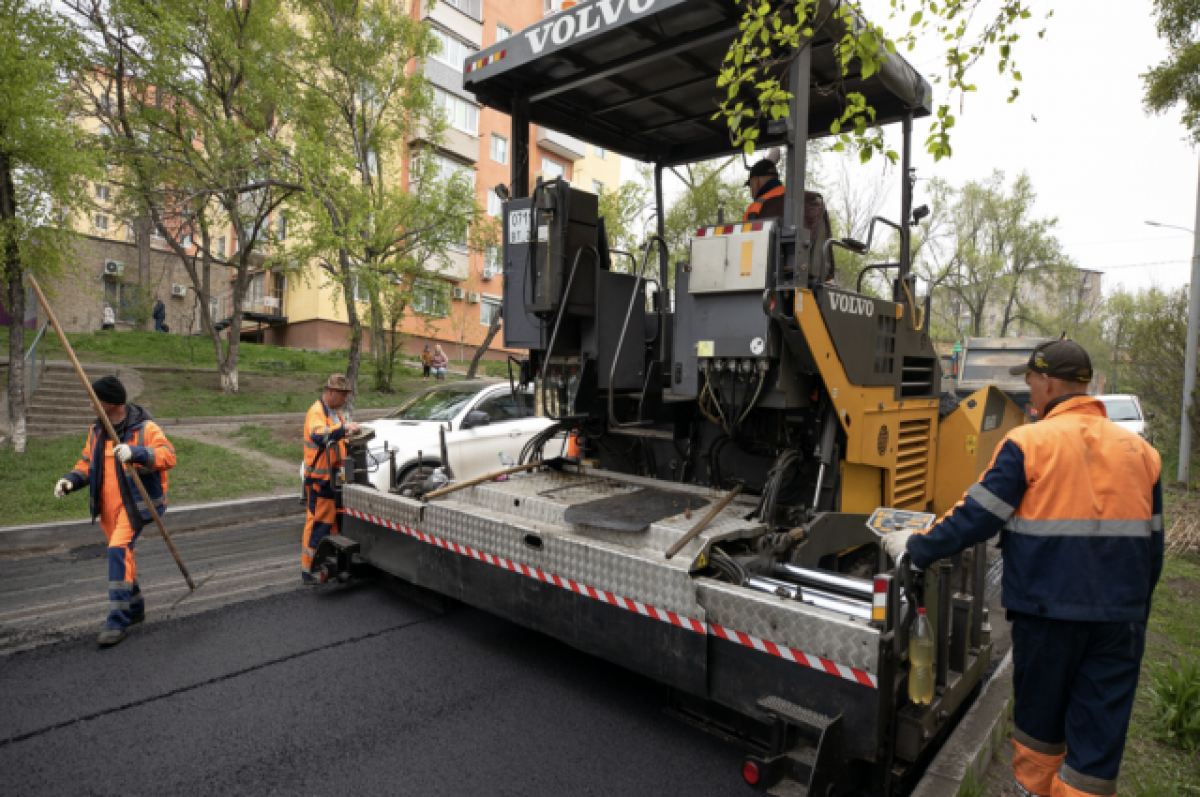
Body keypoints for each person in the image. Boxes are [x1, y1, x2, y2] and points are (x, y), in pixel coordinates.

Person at [881, 339, 1162, 797]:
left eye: (1030, 381)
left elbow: (976, 517)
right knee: (1096, 752)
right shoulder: (1142, 453)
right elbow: (1154, 551)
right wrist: (1133, 613)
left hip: (1047, 617)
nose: (1029, 391)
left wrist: (916, 547)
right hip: (1120, 622)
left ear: (1047, 382)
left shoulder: (1029, 443)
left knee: (1039, 736)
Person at [55, 376, 176, 647]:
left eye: (95, 399)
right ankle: (135, 606)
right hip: (107, 506)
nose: (91, 404)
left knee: (118, 550)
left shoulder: (145, 428)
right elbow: (86, 464)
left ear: (110, 403)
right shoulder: (97, 431)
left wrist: (136, 453)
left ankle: (117, 620)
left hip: (136, 505)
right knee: (121, 556)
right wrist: (70, 481)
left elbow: (168, 456)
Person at [301, 374, 361, 583]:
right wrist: (344, 428)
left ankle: (334, 563)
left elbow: (339, 439)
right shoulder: (316, 412)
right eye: (343, 395)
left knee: (334, 523)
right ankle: (308, 570)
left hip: (333, 477)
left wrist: (350, 435)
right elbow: (318, 435)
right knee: (319, 523)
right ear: (331, 392)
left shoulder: (335, 414)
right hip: (320, 480)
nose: (345, 399)